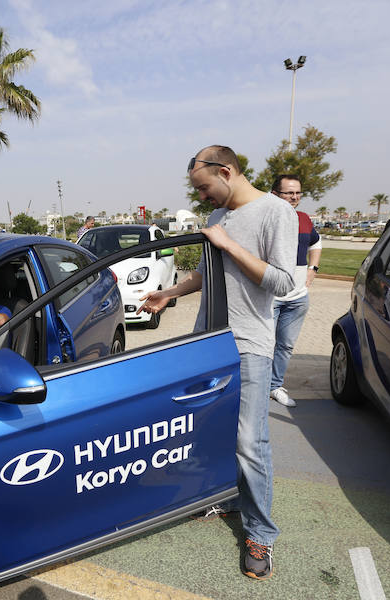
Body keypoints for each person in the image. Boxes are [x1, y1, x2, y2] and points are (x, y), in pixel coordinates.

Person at [136, 145, 296, 580]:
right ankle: (226, 498)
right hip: (208, 344)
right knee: (213, 430)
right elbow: (209, 272)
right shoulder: (214, 219)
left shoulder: (276, 212)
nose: (203, 198)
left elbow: (281, 282)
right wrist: (169, 294)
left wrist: (227, 243)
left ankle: (260, 532)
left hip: (248, 346)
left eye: (205, 188)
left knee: (250, 442)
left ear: (226, 171)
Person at [268, 175, 322, 408]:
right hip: (269, 298)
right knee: (261, 346)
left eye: (298, 193)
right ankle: (256, 388)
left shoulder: (304, 219)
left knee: (285, 346)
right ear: (274, 194)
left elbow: (316, 243)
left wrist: (313, 268)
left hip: (298, 299)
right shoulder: (267, 219)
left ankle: (274, 386)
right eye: (289, 193)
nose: (295, 197)